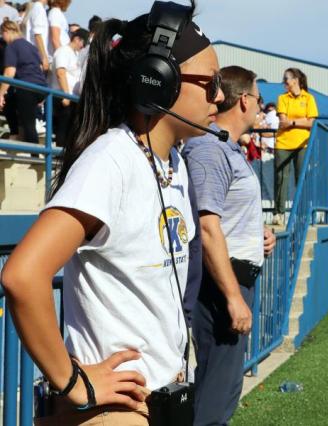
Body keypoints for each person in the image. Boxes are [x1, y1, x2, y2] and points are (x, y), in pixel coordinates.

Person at [0, 3, 224, 422]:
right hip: (116, 411)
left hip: (161, 399)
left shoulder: (173, 164)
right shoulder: (110, 161)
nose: (221, 97)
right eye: (211, 84)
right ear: (158, 83)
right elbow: (22, 275)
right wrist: (73, 383)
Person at [183, 65, 276, 426]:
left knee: (225, 389)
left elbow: (226, 215)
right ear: (242, 101)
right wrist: (233, 297)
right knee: (215, 394)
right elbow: (207, 227)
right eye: (258, 99)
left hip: (235, 279)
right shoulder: (209, 148)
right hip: (222, 284)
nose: (261, 108)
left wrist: (260, 235)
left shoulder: (229, 148)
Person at [273, 67, 318, 225]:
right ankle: (279, 213)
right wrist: (301, 122)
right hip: (283, 143)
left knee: (301, 179)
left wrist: (293, 122)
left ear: (296, 80)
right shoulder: (282, 98)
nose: (284, 81)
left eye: (287, 78)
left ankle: (301, 213)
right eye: (284, 79)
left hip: (302, 144)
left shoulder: (309, 98)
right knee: (281, 178)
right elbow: (282, 122)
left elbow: (312, 122)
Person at [0, 19, 46, 144]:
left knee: (29, 125)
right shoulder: (31, 46)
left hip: (27, 88)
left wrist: (0, 93)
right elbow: (41, 68)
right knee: (11, 102)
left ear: (7, 31)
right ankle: (15, 134)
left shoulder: (12, 46)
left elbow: (9, 72)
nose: (2, 38)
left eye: (2, 34)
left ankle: (34, 157)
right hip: (41, 88)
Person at [50, 28, 87, 147]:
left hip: (72, 98)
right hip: (63, 96)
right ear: (77, 39)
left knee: (70, 130)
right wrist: (66, 95)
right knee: (63, 129)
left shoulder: (74, 54)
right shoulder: (63, 51)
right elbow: (60, 72)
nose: (83, 46)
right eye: (83, 43)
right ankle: (59, 155)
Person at [23, 0, 49, 72]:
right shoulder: (38, 8)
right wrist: (44, 57)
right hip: (36, 58)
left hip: (34, 56)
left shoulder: (37, 7)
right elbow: (37, 34)